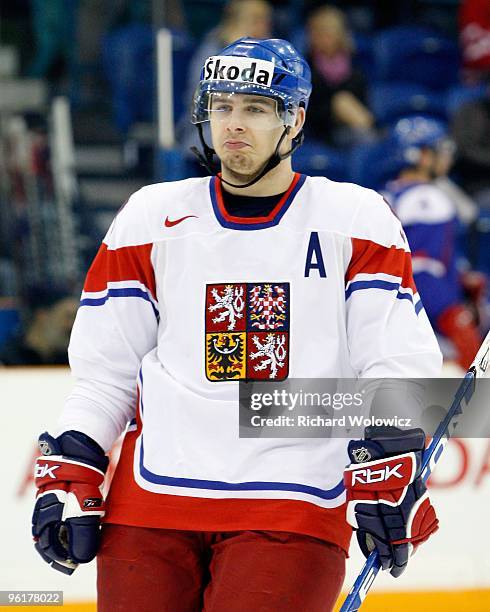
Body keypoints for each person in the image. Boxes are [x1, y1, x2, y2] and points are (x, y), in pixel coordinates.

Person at [32, 39, 442, 611]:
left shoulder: (355, 218)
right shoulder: (150, 217)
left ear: (295, 119)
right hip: (152, 506)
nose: (234, 124)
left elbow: (394, 361)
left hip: (293, 506)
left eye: (255, 108)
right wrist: (73, 468)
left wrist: (389, 456)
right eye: (222, 106)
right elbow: (106, 375)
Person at [383, 116, 482, 370]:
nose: (446, 158)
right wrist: (452, 316)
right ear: (423, 156)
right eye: (440, 150)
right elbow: (421, 270)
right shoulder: (428, 197)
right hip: (428, 327)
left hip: (387, 323)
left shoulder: (383, 195)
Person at [304, 5, 375, 148]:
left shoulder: (355, 66)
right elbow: (307, 112)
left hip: (354, 128)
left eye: (328, 32)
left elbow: (364, 104)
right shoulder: (305, 68)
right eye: (319, 32)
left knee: (360, 135)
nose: (324, 38)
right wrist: (335, 107)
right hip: (322, 133)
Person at [0, 287, 78, 365]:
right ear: (42, 316)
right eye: (68, 316)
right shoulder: (7, 361)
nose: (72, 325)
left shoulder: (72, 361)